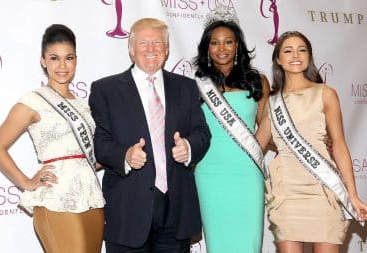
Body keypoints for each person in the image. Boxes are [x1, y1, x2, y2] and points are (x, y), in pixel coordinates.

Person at [89, 18, 211, 253]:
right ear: (131, 49)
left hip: (177, 211)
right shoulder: (106, 90)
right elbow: (100, 143)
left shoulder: (186, 87)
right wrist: (125, 155)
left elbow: (202, 133)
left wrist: (188, 146)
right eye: (143, 43)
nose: (151, 49)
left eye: (157, 43)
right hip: (128, 210)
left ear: (166, 50)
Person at [0, 24, 105, 253]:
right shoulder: (33, 100)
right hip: (56, 196)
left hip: (91, 193)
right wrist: (25, 182)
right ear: (43, 61)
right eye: (54, 58)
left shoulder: (83, 105)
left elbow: (89, 156)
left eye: (68, 58)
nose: (62, 66)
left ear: (76, 60)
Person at [255, 31, 367, 253]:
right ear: (278, 58)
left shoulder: (325, 93)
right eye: (288, 50)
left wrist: (352, 194)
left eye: (302, 50)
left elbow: (340, 146)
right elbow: (255, 147)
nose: (295, 55)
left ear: (309, 56)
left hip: (323, 191)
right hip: (286, 194)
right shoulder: (273, 103)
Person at [192, 8, 270, 253]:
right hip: (209, 173)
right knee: (218, 243)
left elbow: (268, 129)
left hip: (247, 173)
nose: (222, 48)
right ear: (207, 48)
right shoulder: (196, 86)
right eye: (215, 43)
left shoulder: (257, 81)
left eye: (228, 42)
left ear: (238, 46)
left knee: (248, 243)